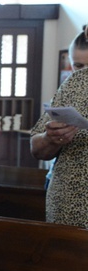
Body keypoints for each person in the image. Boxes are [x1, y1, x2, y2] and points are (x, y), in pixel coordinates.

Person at [30, 25, 88, 227]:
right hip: (66, 208)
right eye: (78, 65)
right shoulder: (73, 84)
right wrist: (49, 139)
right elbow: (37, 147)